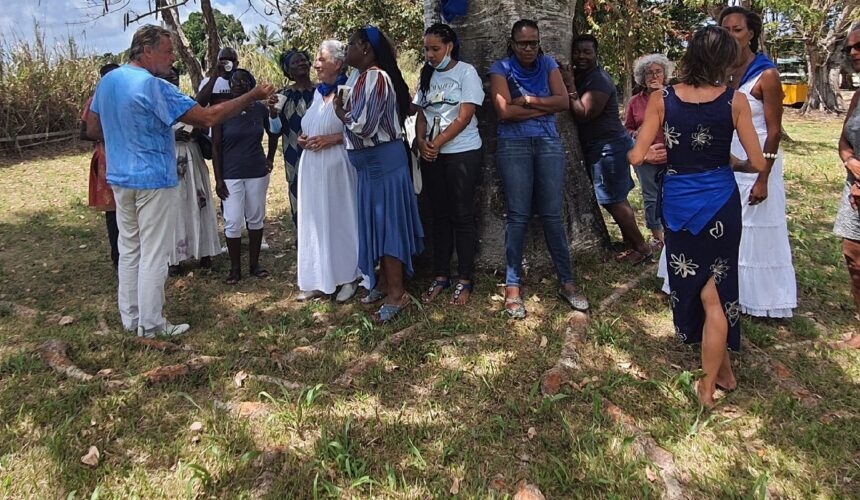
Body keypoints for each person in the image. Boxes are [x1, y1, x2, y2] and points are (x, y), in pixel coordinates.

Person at [86, 25, 275, 338]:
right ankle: (151, 324)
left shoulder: (108, 81)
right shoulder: (153, 86)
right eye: (168, 51)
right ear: (147, 51)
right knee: (154, 252)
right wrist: (252, 96)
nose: (172, 58)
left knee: (130, 248)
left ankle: (131, 318)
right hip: (153, 180)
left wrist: (125, 137)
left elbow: (93, 128)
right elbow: (208, 117)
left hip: (120, 177)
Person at [628, 26, 767, 407]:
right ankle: (720, 376)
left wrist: (654, 153)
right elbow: (757, 162)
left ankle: (708, 385)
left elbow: (637, 156)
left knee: (700, 290)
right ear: (725, 61)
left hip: (678, 205)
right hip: (721, 203)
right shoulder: (735, 101)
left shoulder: (662, 98)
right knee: (716, 292)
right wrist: (731, 162)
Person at [489, 19, 588, 319]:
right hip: (513, 146)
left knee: (552, 215)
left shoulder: (548, 64)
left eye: (533, 43)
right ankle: (512, 287)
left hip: (548, 144)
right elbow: (504, 112)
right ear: (513, 43)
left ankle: (567, 282)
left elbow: (563, 102)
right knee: (517, 215)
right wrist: (545, 105)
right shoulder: (501, 68)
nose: (529, 48)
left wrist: (528, 101)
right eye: (523, 43)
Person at [334, 26, 424, 323]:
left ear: (365, 48)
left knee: (388, 226)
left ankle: (398, 295)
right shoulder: (360, 78)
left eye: (350, 44)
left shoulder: (376, 77)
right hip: (372, 168)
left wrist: (340, 114)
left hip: (383, 165)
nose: (346, 49)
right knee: (377, 223)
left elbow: (366, 126)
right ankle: (384, 283)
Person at [720, 6, 797, 318]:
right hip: (726, 157)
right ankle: (723, 288)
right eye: (725, 30)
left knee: (755, 226)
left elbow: (775, 130)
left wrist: (763, 177)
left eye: (737, 30)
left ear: (750, 33)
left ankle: (758, 298)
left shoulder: (767, 74)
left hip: (758, 158)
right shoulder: (720, 69)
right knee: (724, 224)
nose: (731, 35)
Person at [563, 34, 652, 265]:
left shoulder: (599, 80)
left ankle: (642, 248)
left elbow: (584, 114)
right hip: (602, 146)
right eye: (577, 52)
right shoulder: (585, 76)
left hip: (608, 147)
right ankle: (631, 244)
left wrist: (570, 86)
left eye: (587, 52)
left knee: (613, 200)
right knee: (616, 198)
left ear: (596, 54)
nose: (581, 56)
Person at [414, 23, 484, 306]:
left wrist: (438, 143)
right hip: (432, 154)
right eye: (426, 49)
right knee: (438, 215)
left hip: (462, 152)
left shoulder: (466, 72)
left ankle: (465, 278)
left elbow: (465, 116)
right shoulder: (427, 74)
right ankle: (441, 275)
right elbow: (422, 113)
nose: (430, 55)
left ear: (449, 47)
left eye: (435, 49)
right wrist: (422, 142)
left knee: (462, 215)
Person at [294, 41, 362, 302]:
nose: (316, 65)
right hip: (312, 166)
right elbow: (312, 123)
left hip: (337, 165)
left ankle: (348, 276)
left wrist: (331, 139)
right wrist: (304, 138)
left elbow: (359, 128)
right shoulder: (317, 94)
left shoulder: (349, 91)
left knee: (340, 218)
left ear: (338, 63)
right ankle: (319, 277)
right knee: (315, 219)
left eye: (322, 59)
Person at [212, 69, 282, 285]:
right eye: (234, 80)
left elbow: (274, 133)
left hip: (256, 171)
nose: (237, 84)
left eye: (243, 81)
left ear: (252, 86)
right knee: (233, 220)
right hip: (231, 173)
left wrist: (270, 157)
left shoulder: (260, 109)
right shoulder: (222, 110)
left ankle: (254, 265)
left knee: (255, 217)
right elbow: (215, 147)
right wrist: (219, 179)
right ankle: (235, 269)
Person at [162, 68, 221, 275]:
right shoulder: (155, 104)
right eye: (167, 78)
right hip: (170, 159)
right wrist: (172, 136)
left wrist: (196, 130)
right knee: (175, 205)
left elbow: (203, 118)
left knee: (199, 201)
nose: (172, 81)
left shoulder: (186, 101)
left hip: (192, 156)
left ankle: (204, 252)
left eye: (174, 78)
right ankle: (175, 258)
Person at [625, 54, 673, 248]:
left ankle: (674, 232)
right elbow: (627, 129)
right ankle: (658, 237)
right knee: (651, 197)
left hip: (672, 155)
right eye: (649, 73)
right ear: (642, 77)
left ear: (665, 74)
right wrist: (636, 135)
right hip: (645, 156)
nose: (654, 76)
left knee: (672, 194)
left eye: (658, 72)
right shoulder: (635, 102)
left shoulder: (674, 97)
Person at [833, 23, 860, 350]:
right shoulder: (857, 97)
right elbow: (843, 140)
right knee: (854, 257)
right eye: (850, 47)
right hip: (854, 188)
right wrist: (850, 162)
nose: (853, 52)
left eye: (859, 46)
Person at [269, 49, 317, 228]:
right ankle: (303, 238)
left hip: (320, 151)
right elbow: (275, 130)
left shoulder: (322, 92)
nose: (301, 63)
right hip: (294, 155)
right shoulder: (283, 96)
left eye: (303, 60)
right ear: (288, 70)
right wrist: (272, 113)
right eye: (295, 62)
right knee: (299, 199)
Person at [80, 62, 120, 268]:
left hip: (129, 157)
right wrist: (110, 135)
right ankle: (117, 256)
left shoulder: (127, 98)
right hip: (107, 159)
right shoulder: (95, 101)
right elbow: (84, 132)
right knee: (113, 210)